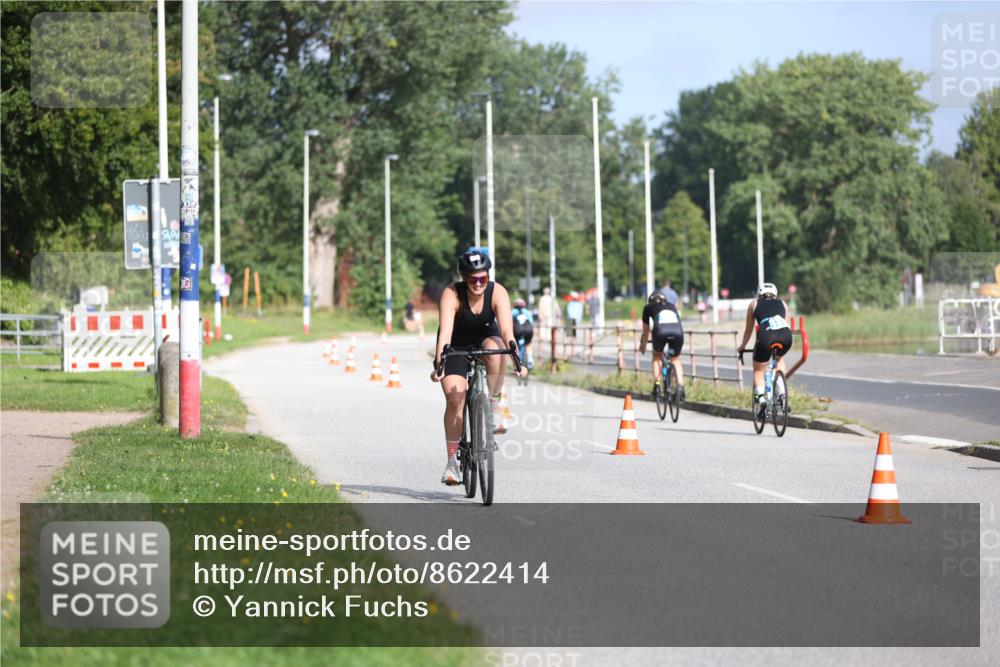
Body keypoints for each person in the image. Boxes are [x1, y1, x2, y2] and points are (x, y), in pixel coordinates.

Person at [431, 248, 527, 485]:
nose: (478, 284)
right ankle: (452, 462)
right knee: (455, 399)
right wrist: (439, 364)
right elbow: (444, 333)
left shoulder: (497, 292)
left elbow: (507, 331)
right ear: (464, 277)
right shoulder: (452, 294)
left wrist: (517, 359)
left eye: (482, 278)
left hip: (486, 338)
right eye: (472, 279)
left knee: (496, 353)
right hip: (456, 345)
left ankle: (493, 402)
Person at [737, 282, 793, 419]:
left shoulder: (754, 304)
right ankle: (782, 395)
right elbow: (787, 324)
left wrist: (742, 346)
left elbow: (749, 330)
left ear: (760, 294)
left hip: (766, 335)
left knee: (759, 369)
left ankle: (762, 399)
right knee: (779, 359)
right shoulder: (783, 304)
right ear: (775, 294)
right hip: (786, 336)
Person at [639, 292, 685, 400]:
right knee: (675, 359)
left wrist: (643, 344)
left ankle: (657, 385)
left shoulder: (648, 307)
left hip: (660, 333)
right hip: (677, 332)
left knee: (657, 356)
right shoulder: (671, 306)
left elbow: (645, 331)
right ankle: (680, 388)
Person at [511, 297, 534, 369]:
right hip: (528, 331)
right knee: (528, 344)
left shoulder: (512, 312)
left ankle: (516, 363)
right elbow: (531, 323)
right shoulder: (527, 312)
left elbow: (510, 324)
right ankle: (530, 359)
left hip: (517, 331)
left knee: (515, 346)